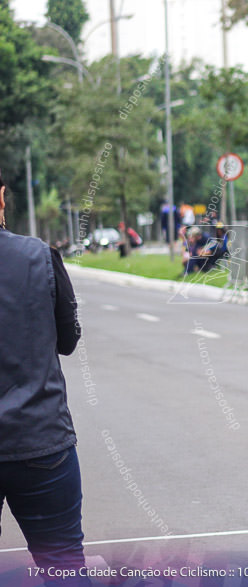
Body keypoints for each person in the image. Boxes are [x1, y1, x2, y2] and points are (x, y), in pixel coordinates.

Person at [0, 172, 89, 586]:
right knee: (64, 570)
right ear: (2, 198)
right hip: (40, 442)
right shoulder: (40, 256)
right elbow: (68, 340)